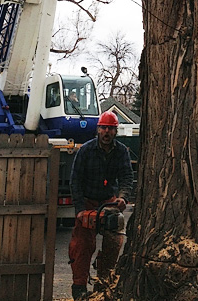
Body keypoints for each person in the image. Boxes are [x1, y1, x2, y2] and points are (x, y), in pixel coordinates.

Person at [69, 111, 134, 300]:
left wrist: (122, 197)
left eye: (110, 129)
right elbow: (76, 181)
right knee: (82, 244)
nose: (106, 132)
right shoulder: (86, 151)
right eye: (103, 128)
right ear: (98, 129)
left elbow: (126, 177)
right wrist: (80, 210)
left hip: (108, 202)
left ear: (115, 131)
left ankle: (104, 281)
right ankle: (79, 287)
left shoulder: (121, 151)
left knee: (114, 240)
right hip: (87, 202)